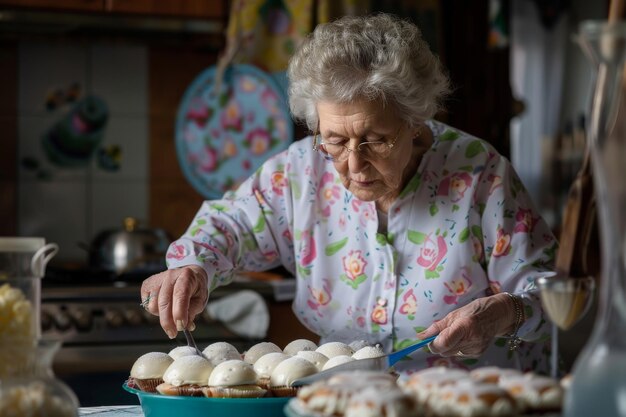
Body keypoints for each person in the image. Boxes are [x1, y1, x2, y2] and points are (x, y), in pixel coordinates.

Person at [141, 13, 557, 374]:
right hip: (346, 401)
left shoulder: (480, 173)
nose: (353, 165)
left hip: (467, 401)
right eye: (334, 140)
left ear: (415, 121)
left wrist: (506, 313)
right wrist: (192, 266)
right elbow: (228, 225)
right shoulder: (298, 172)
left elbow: (552, 296)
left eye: (376, 139)